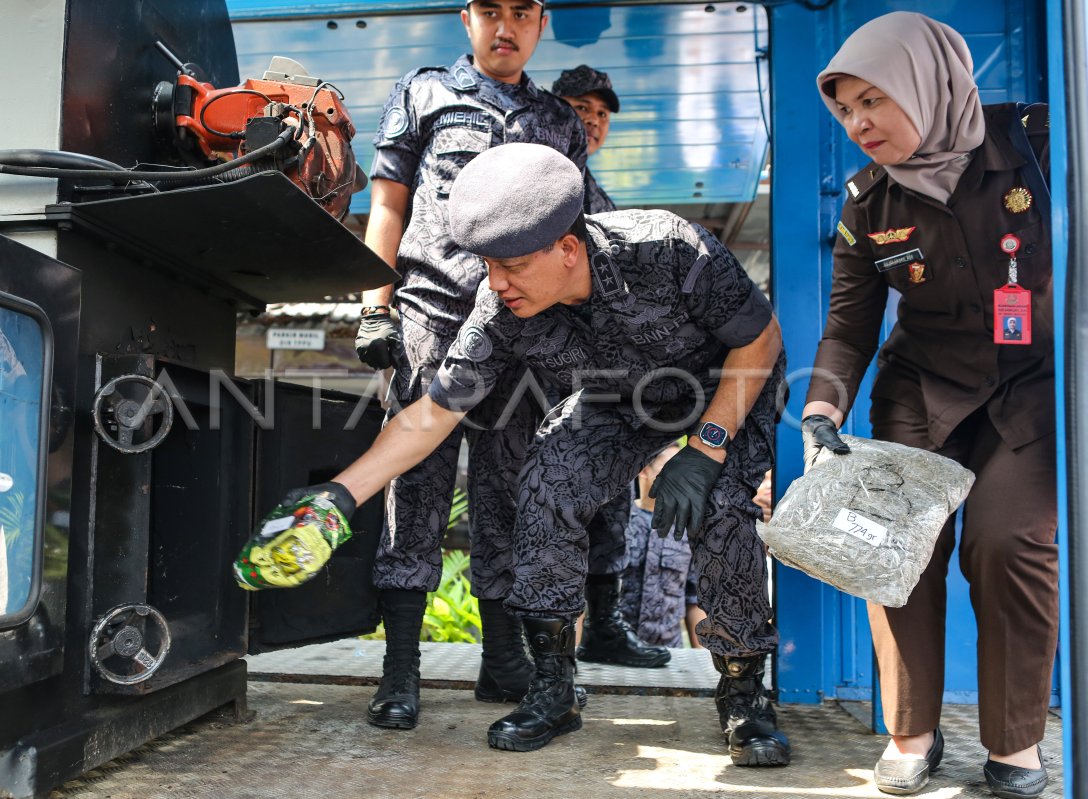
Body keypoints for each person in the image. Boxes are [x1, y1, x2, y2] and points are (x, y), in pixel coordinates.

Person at [286, 142, 791, 761]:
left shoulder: (668, 248)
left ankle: (744, 696)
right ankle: (554, 688)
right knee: (548, 477)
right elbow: (434, 412)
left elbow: (761, 339)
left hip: (722, 388)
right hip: (619, 401)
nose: (497, 283)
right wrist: (339, 497)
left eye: (514, 266)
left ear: (568, 249)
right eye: (487, 266)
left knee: (721, 509)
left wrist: (707, 447)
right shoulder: (501, 306)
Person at [801, 12, 1054, 798]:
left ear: (928, 83)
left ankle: (1014, 742)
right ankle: (912, 731)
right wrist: (822, 411)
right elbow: (848, 326)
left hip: (1028, 388)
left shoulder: (1038, 147)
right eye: (845, 110)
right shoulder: (867, 203)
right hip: (920, 390)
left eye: (875, 100)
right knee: (894, 547)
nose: (859, 123)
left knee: (1007, 544)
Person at [352, 0, 598, 733]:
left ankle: (502, 661)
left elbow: (573, 231)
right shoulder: (423, 93)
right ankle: (400, 671)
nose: (506, 26)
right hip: (432, 314)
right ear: (467, 17)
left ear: (541, 21)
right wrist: (375, 305)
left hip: (524, 325)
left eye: (522, 11)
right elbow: (388, 203)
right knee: (415, 489)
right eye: (490, 9)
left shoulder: (560, 121)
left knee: (510, 492)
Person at [549, 63, 672, 670]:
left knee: (611, 505)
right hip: (543, 379)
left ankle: (604, 629)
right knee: (554, 507)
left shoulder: (602, 198)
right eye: (579, 108)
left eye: (600, 114)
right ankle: (543, 655)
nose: (592, 122)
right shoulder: (540, 183)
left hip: (601, 381)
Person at [618, 442, 702, 648]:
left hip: (669, 654)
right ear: (645, 471)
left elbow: (694, 598)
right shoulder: (618, 523)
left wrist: (703, 660)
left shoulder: (688, 531)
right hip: (616, 652)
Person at [553, 64, 619, 214]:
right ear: (554, 109)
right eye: (582, 107)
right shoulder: (531, 167)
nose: (594, 120)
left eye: (602, 114)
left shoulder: (603, 202)